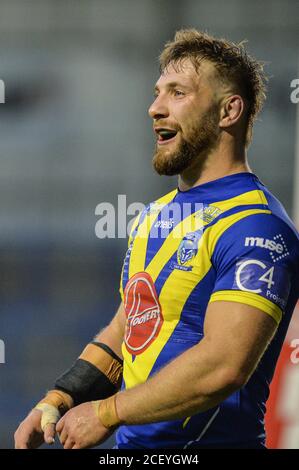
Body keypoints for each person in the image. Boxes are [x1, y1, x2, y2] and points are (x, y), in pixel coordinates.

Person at [15, 29, 299, 450]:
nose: (154, 108)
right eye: (157, 93)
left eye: (177, 93)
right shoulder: (154, 216)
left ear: (229, 111)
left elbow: (225, 366)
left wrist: (107, 412)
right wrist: (59, 398)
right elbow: (130, 325)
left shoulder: (256, 227)